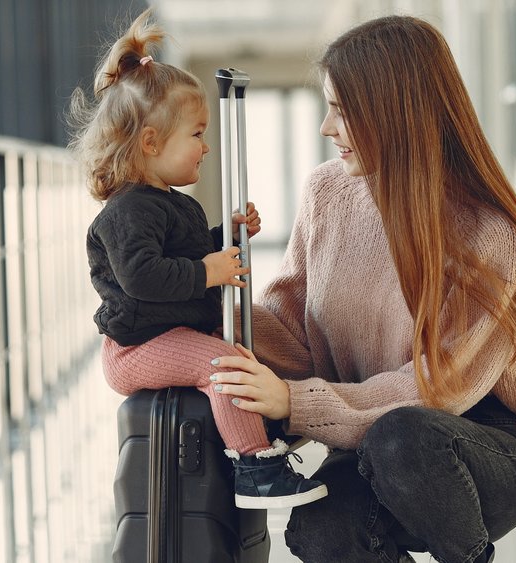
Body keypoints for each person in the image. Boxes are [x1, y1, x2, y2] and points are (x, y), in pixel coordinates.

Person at [208, 14, 516, 563]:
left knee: (402, 439)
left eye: (342, 110)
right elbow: (294, 334)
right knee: (319, 531)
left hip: (478, 445)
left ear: (395, 112)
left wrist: (295, 403)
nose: (327, 127)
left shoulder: (489, 233)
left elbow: (438, 388)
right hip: (371, 437)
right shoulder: (326, 193)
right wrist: (212, 298)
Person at [70, 9, 327, 510]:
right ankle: (254, 465)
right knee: (223, 364)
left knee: (244, 349)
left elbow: (181, 255)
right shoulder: (127, 210)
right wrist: (211, 270)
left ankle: (268, 421)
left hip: (169, 330)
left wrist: (222, 237)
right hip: (136, 348)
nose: (206, 147)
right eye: (197, 135)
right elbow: (144, 276)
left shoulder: (171, 201)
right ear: (150, 143)